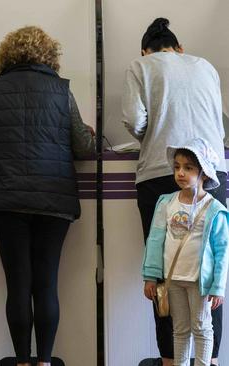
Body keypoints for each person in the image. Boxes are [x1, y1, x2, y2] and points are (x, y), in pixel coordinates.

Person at [0, 26, 95, 366]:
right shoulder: (61, 90)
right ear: (49, 55)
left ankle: (22, 361)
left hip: (7, 199)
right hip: (54, 199)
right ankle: (45, 361)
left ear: (6, 56)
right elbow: (83, 146)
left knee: (18, 285)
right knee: (46, 284)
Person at [122, 18, 226, 366]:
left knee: (165, 274)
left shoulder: (140, 65)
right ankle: (209, 361)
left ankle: (171, 360)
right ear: (179, 48)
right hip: (213, 175)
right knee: (210, 272)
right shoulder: (206, 67)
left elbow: (134, 120)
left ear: (145, 50)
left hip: (161, 172)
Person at [143, 138, 229, 366]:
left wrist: (218, 286)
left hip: (199, 282)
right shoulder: (166, 203)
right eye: (177, 167)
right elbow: (155, 240)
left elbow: (223, 251)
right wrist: (150, 276)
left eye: (188, 167)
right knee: (180, 330)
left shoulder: (214, 209)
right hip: (174, 280)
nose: (180, 173)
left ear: (204, 173)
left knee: (202, 328)